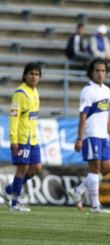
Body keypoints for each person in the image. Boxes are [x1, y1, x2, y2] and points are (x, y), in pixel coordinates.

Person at [67, 58, 110, 214]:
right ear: (91, 72)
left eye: (103, 71)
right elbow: (82, 115)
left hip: (104, 136)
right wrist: (80, 137)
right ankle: (95, 205)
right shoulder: (88, 90)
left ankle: (79, 190)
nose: (100, 74)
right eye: (97, 71)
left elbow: (107, 115)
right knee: (94, 168)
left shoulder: (107, 90)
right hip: (91, 134)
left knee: (107, 167)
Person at [0, 62, 42, 212]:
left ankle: (10, 190)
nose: (34, 77)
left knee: (36, 167)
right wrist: (14, 139)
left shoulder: (35, 92)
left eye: (37, 74)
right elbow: (14, 118)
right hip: (22, 138)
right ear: (25, 75)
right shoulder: (20, 93)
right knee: (22, 169)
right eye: (31, 73)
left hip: (34, 138)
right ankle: (15, 202)